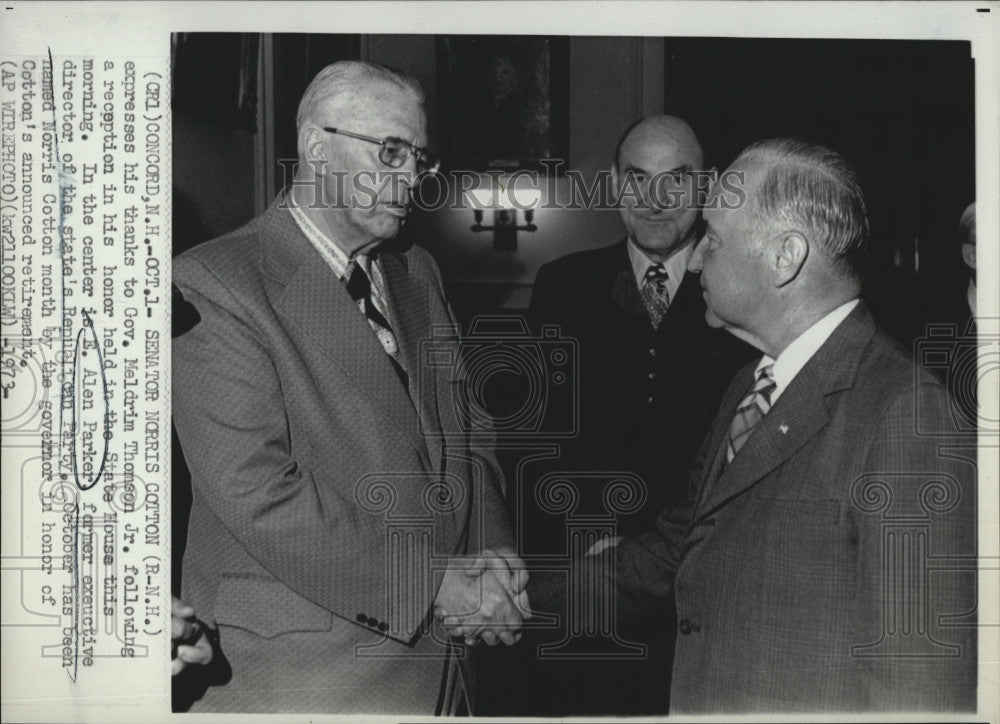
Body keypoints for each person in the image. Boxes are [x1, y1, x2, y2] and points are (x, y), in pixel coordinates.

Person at [530, 138, 977, 712]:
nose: (693, 261)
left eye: (712, 239)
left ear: (784, 256)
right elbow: (671, 553)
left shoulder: (907, 415)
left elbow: (921, 683)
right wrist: (513, 596)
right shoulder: (748, 386)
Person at [172, 60, 527, 715]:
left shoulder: (416, 271)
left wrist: (492, 558)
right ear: (315, 146)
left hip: (446, 667)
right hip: (310, 676)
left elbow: (468, 431)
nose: (411, 178)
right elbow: (259, 491)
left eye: (418, 158)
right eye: (390, 151)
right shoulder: (216, 283)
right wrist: (433, 587)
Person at [520, 116, 752, 715]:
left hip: (702, 594)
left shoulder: (744, 295)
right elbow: (533, 439)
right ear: (615, 185)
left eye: (676, 181)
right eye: (637, 180)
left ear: (707, 186)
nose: (654, 201)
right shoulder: (563, 285)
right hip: (583, 587)